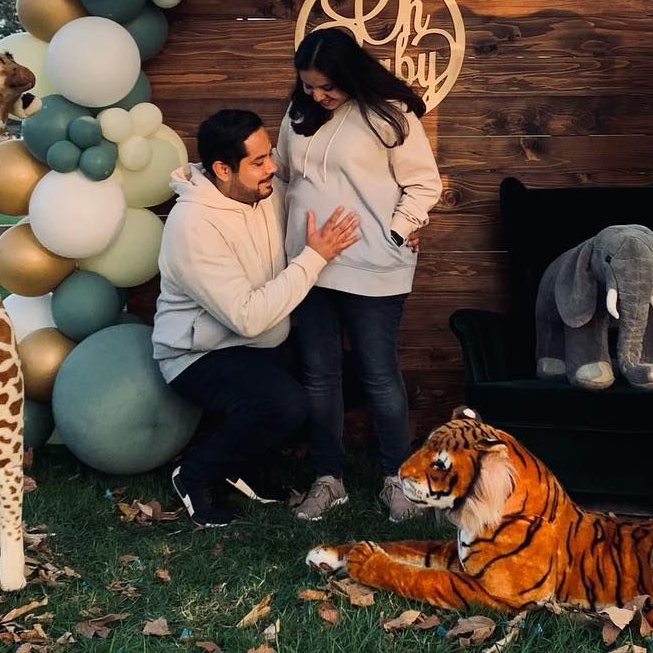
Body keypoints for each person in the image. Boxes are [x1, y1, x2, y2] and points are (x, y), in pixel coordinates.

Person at [153, 108, 360, 528]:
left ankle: (245, 464)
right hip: (198, 354)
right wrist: (315, 257)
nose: (274, 168)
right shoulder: (192, 225)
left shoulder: (263, 192)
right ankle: (196, 474)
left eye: (270, 155)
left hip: (262, 345)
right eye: (260, 162)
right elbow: (247, 318)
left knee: (346, 379)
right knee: (285, 403)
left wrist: (401, 222)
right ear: (222, 169)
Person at [278, 28, 443, 523]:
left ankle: (398, 478)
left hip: (373, 267)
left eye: (327, 86)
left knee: (378, 375)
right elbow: (285, 177)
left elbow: (423, 185)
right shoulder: (299, 114)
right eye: (308, 86)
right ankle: (329, 478)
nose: (318, 96)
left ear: (350, 73)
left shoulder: (390, 115)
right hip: (309, 265)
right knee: (319, 376)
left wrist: (396, 232)